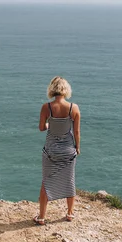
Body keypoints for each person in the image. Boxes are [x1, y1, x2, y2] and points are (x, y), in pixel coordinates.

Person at [34, 76, 81, 225]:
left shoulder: (46, 107)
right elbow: (77, 131)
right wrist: (77, 148)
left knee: (46, 182)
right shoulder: (74, 107)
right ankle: (69, 214)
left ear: (52, 89)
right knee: (69, 180)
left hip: (51, 151)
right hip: (68, 151)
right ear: (66, 89)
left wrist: (50, 125)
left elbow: (42, 128)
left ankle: (41, 217)